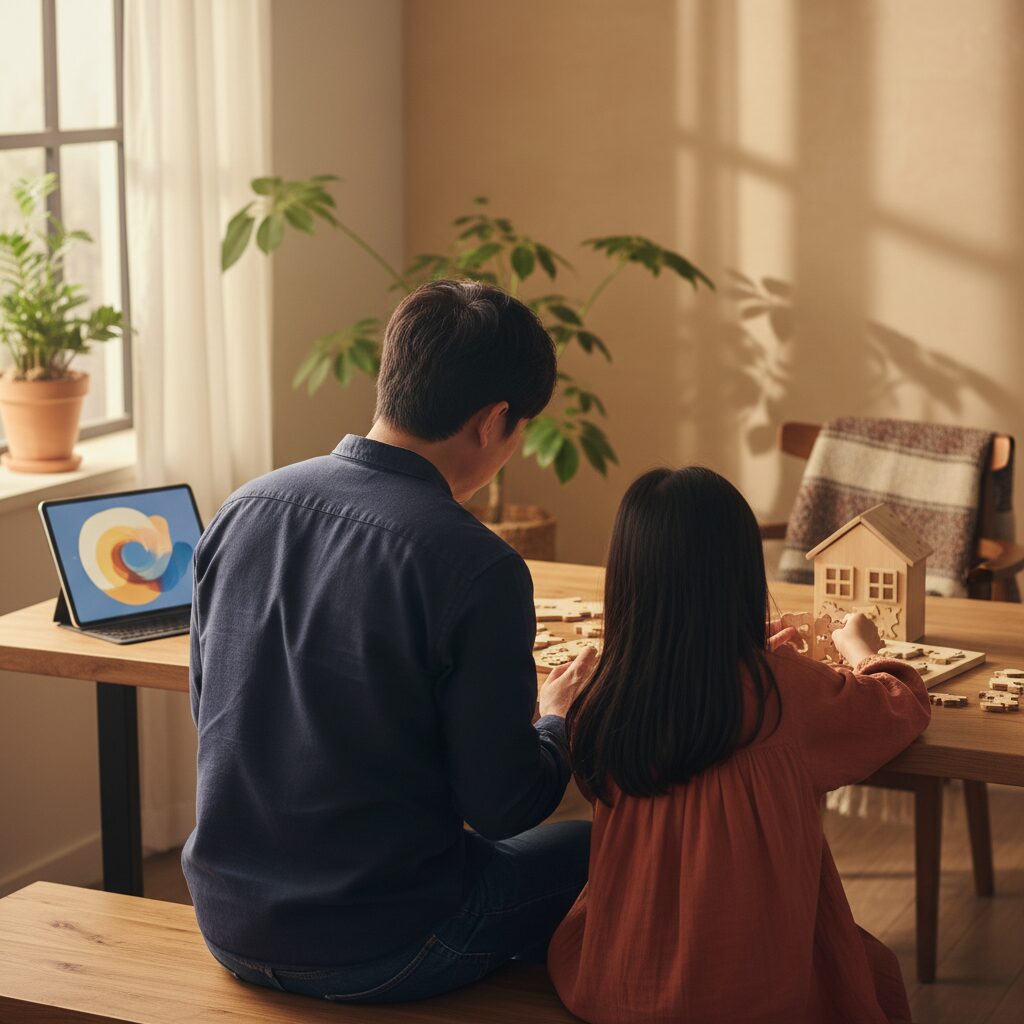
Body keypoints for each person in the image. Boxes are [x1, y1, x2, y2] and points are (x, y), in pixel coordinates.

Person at [183, 279, 594, 1003]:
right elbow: (504, 805)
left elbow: (210, 710)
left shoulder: (242, 509)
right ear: (494, 420)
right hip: (385, 944)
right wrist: (557, 719)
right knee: (616, 846)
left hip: (226, 922)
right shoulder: (478, 566)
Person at [548, 466, 929, 1024]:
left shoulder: (604, 695)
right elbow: (899, 707)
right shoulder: (785, 689)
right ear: (742, 576)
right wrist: (859, 648)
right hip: (755, 992)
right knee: (873, 973)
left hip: (619, 983)